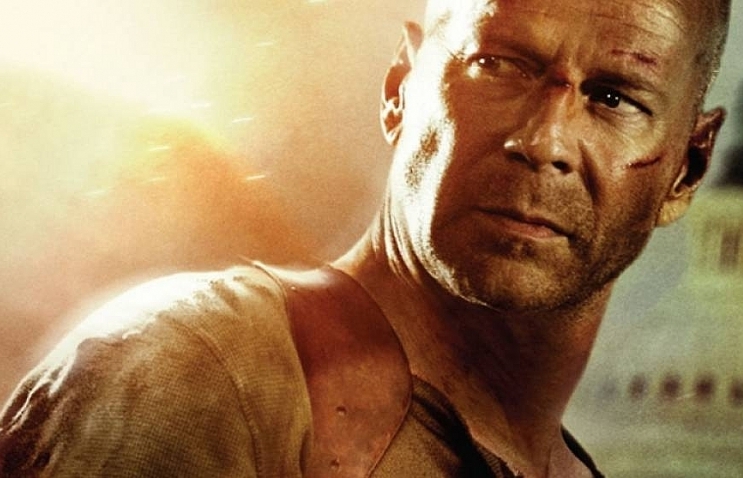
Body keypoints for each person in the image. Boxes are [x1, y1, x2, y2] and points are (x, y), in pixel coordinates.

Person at [0, 0, 730, 476]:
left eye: (613, 98)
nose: (544, 141)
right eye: (498, 65)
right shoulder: (198, 371)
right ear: (400, 89)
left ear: (687, 168)